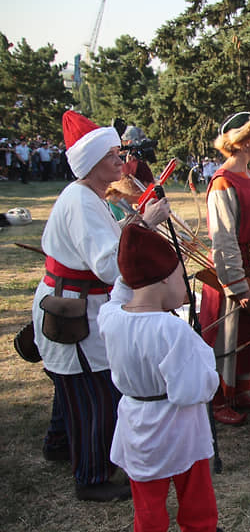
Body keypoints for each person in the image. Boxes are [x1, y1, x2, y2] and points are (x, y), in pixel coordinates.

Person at [31, 110, 169, 501]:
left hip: (78, 304)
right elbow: (110, 266)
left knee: (72, 385)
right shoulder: (82, 200)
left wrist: (137, 222)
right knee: (92, 392)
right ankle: (91, 478)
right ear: (91, 163)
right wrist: (145, 224)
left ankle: (58, 445)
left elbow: (109, 250)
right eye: (111, 155)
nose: (120, 161)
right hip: (73, 310)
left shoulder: (90, 196)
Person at [99, 224, 221, 532]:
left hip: (136, 424)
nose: (183, 285)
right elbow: (196, 388)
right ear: (165, 278)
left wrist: (135, 256)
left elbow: (121, 289)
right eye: (181, 277)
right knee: (196, 497)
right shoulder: (172, 330)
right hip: (179, 429)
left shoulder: (110, 316)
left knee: (147, 503)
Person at [199, 111, 250, 426]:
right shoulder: (223, 183)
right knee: (226, 334)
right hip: (235, 270)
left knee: (248, 331)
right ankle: (218, 400)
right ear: (242, 143)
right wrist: (236, 283)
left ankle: (239, 391)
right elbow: (224, 238)